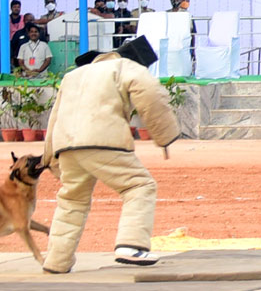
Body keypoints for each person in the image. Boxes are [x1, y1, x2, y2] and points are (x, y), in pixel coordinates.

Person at [41, 35, 180, 273]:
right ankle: (131, 245)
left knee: (72, 200)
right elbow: (152, 96)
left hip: (66, 146)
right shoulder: (127, 67)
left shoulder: (73, 75)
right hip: (102, 140)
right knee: (139, 186)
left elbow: (54, 117)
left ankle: (56, 261)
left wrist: (50, 159)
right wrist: (165, 136)